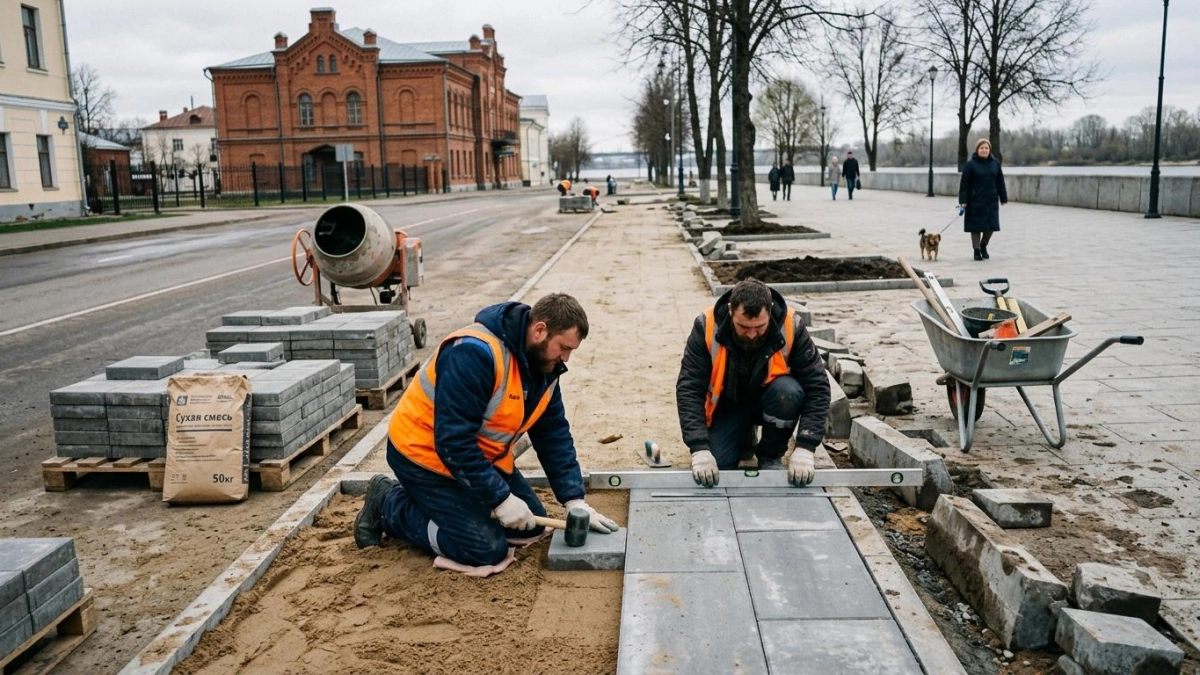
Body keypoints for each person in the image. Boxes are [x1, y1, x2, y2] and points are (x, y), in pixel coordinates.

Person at [355, 294, 619, 571]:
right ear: (540, 330)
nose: (566, 358)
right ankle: (388, 503)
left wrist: (574, 499)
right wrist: (501, 499)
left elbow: (553, 435)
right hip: (424, 455)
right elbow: (454, 442)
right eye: (563, 347)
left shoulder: (544, 368)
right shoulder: (473, 353)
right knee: (483, 550)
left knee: (527, 529)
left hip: (477, 458)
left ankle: (463, 506)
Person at [676, 279, 831, 488]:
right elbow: (689, 388)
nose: (751, 334)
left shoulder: (790, 325)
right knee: (718, 469)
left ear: (770, 311)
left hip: (772, 399)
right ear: (731, 310)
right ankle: (744, 437)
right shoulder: (707, 326)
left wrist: (806, 446)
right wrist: (699, 448)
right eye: (743, 327)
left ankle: (770, 454)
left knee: (788, 392)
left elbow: (818, 387)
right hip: (728, 406)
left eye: (759, 327)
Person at [958, 138, 1008, 261]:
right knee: (975, 227)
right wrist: (963, 201)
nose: (984, 150)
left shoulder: (995, 163)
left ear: (989, 150)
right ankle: (976, 250)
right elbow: (964, 184)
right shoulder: (970, 165)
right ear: (977, 150)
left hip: (991, 200)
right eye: (982, 148)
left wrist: (1003, 197)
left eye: (986, 148)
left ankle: (983, 245)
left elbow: (1000, 181)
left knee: (991, 226)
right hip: (974, 200)